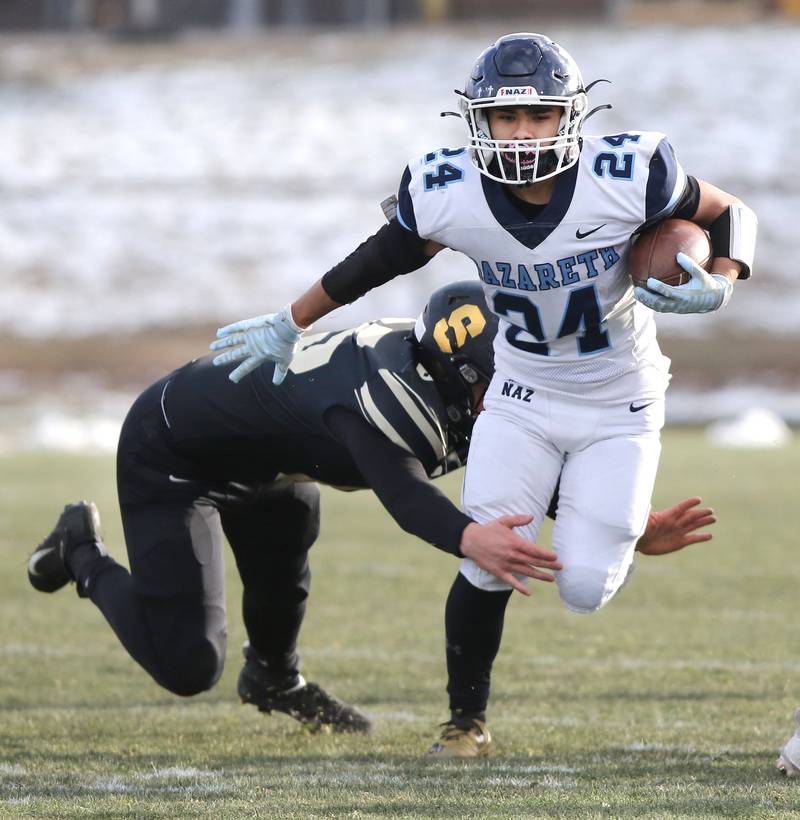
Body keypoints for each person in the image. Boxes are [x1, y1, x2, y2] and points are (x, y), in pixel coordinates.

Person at [206, 31, 753, 755]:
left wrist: (724, 277)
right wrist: (289, 319)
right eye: (506, 117)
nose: (522, 133)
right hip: (521, 387)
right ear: (480, 121)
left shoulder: (628, 172)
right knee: (488, 552)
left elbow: (726, 211)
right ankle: (465, 722)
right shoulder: (450, 189)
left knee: (586, 588)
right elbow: (376, 261)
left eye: (538, 117)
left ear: (569, 117)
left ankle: (601, 526)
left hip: (621, 398)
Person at [28, 282, 711, 736]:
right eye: (499, 384)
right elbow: (404, 493)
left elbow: (519, 461)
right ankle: (79, 552)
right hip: (174, 453)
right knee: (188, 666)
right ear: (458, 377)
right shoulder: (380, 398)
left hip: (269, 460)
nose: (514, 395)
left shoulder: (448, 376)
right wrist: (468, 537)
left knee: (288, 550)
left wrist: (623, 522)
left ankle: (274, 678)